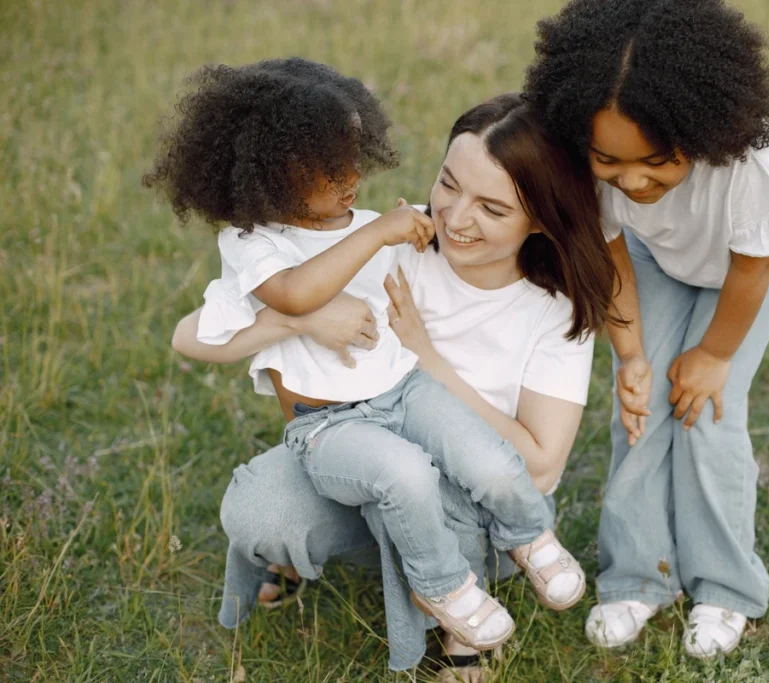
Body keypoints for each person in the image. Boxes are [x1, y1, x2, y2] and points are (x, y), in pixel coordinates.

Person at [171, 92, 618, 674]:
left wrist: (426, 358)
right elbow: (200, 333)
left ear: (540, 218)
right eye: (449, 184)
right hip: (370, 458)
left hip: (485, 505)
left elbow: (537, 467)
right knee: (268, 510)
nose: (456, 218)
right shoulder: (392, 247)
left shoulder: (551, 312)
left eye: (492, 208)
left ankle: (460, 636)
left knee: (433, 484)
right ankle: (372, 563)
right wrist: (297, 318)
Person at [524, 0, 769, 658]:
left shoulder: (750, 166)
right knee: (641, 406)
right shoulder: (585, 157)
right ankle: (638, 574)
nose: (632, 179)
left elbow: (751, 268)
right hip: (658, 259)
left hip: (747, 275)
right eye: (610, 161)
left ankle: (726, 586)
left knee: (705, 410)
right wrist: (632, 356)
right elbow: (613, 254)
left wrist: (713, 354)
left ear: (700, 131)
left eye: (656, 161)